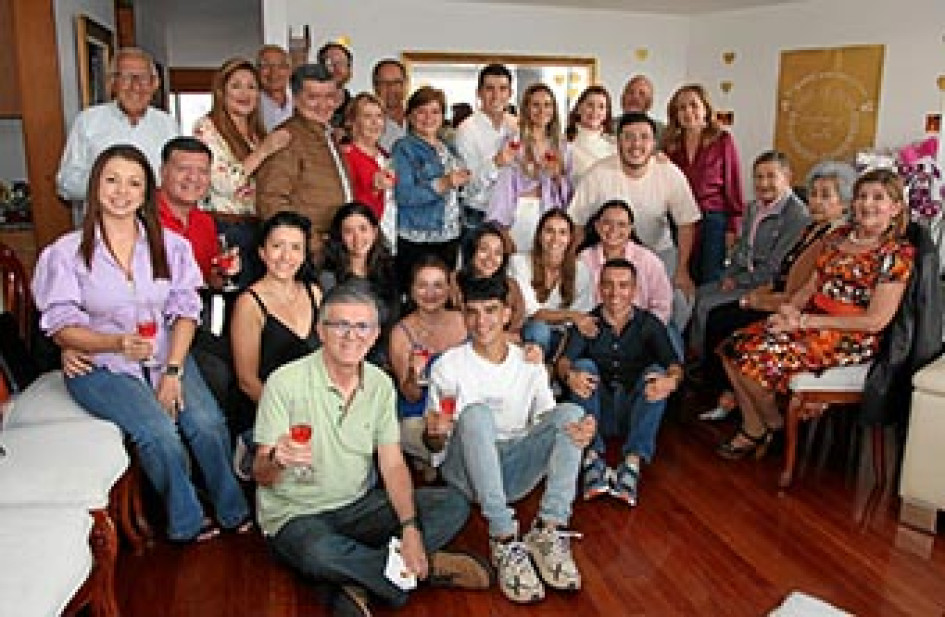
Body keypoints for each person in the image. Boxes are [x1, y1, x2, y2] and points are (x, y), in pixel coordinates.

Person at [33, 144, 249, 541]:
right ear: (95, 185)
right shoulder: (65, 253)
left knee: (207, 424)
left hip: (166, 354)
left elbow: (186, 311)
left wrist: (173, 371)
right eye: (111, 180)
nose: (121, 191)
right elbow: (61, 326)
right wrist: (112, 343)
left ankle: (233, 509)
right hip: (98, 364)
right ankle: (185, 520)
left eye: (133, 183)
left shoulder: (170, 245)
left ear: (146, 190)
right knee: (158, 434)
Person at [253, 283, 491, 616]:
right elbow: (261, 475)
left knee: (452, 504)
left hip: (359, 506)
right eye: (340, 325)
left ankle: (355, 576)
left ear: (375, 333)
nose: (352, 335)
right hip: (297, 515)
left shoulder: (380, 384)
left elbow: (392, 465)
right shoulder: (284, 382)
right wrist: (277, 459)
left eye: (362, 326)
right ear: (321, 330)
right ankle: (413, 570)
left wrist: (409, 528)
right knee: (316, 553)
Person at [717, 168, 915, 459]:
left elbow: (875, 321)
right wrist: (790, 310)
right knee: (731, 347)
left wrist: (807, 320)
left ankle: (775, 426)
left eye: (878, 198)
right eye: (862, 196)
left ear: (896, 208)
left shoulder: (896, 253)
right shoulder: (838, 237)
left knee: (753, 360)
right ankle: (755, 427)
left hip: (851, 335)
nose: (867, 204)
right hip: (811, 321)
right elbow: (811, 286)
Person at [425, 275, 595, 604]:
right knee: (476, 415)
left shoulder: (529, 363)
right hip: (466, 474)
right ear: (463, 316)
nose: (481, 321)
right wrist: (434, 435)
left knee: (571, 415)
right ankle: (503, 537)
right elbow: (437, 451)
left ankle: (550, 528)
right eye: (472, 312)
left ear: (506, 314)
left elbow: (549, 421)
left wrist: (580, 431)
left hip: (514, 471)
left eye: (490, 311)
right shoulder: (447, 366)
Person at [700, 161, 856, 421]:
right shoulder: (813, 229)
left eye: (825, 196)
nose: (816, 201)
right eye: (814, 194)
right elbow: (782, 271)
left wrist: (757, 301)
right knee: (718, 314)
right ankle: (733, 399)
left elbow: (801, 292)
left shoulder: (835, 238)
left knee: (723, 320)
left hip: (798, 312)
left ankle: (743, 406)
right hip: (780, 297)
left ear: (845, 203)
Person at [558, 258, 682, 506]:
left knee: (657, 374)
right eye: (608, 285)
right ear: (599, 288)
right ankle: (592, 459)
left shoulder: (649, 324)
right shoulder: (587, 323)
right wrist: (569, 375)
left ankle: (632, 464)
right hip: (597, 412)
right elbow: (563, 361)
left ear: (634, 290)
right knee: (582, 367)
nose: (615, 293)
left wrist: (672, 381)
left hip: (633, 411)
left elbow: (673, 365)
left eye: (623, 286)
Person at [689, 150, 808, 364]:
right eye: (759, 177)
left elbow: (775, 265)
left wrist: (737, 281)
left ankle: (705, 364)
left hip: (766, 285)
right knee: (696, 295)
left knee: (708, 305)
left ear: (787, 177)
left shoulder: (796, 216)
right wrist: (729, 275)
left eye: (771, 176)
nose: (764, 183)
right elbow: (741, 248)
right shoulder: (753, 207)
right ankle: (695, 357)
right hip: (743, 275)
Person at [569, 112, 701, 299]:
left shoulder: (670, 173)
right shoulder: (598, 173)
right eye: (628, 137)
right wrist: (571, 265)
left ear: (654, 143)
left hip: (659, 252)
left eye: (644, 137)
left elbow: (686, 224)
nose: (636, 144)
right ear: (618, 142)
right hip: (611, 256)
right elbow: (577, 222)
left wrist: (682, 269)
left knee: (682, 300)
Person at [229, 211, 321, 480]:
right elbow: (247, 380)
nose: (286, 256)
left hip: (311, 405)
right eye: (277, 246)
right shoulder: (249, 303)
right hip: (268, 410)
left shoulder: (313, 292)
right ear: (262, 252)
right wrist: (289, 417)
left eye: (295, 248)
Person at [193, 57, 293, 283]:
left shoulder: (255, 132)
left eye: (251, 87)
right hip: (225, 226)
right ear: (221, 91)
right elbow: (224, 183)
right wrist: (264, 151)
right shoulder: (207, 128)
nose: (244, 93)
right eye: (236, 86)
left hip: (258, 226)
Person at [256, 63, 352, 262]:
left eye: (329, 97)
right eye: (313, 97)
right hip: (308, 254)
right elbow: (272, 200)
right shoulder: (288, 137)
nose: (323, 105)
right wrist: (310, 243)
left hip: (335, 247)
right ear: (296, 99)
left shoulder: (328, 134)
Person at [57, 47, 179, 201]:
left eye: (143, 78)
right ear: (112, 84)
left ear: (154, 84)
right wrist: (108, 184)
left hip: (155, 221)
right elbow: (66, 183)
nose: (135, 87)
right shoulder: (88, 121)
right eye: (126, 78)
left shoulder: (168, 125)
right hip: (103, 221)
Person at [663, 84, 745, 284]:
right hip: (680, 221)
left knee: (710, 279)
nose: (688, 112)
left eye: (693, 105)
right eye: (681, 108)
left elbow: (733, 186)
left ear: (706, 109)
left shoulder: (722, 140)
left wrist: (733, 228)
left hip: (712, 221)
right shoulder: (670, 147)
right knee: (683, 277)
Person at [389, 255, 467, 463]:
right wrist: (415, 373)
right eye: (422, 286)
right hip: (421, 414)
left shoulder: (464, 321)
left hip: (461, 408)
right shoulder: (401, 333)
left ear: (449, 290)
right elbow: (411, 395)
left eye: (438, 286)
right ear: (412, 290)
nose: (431, 294)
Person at [391, 86, 469, 276]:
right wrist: (444, 183)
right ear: (409, 116)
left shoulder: (448, 147)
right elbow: (404, 195)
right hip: (418, 236)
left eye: (435, 112)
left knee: (443, 296)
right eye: (421, 112)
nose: (428, 118)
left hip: (449, 233)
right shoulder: (404, 148)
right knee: (416, 295)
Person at [486, 83, 573, 254]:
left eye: (547, 105)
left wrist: (556, 176)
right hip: (519, 213)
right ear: (526, 108)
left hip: (550, 214)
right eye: (536, 105)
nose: (542, 110)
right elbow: (501, 184)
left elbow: (569, 193)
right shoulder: (512, 142)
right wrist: (501, 228)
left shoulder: (563, 147)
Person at [510, 209, 595, 361]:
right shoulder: (519, 262)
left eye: (562, 232)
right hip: (529, 336)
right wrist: (571, 315)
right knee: (539, 328)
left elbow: (582, 317)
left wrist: (559, 359)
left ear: (570, 238)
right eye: (549, 231)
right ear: (539, 235)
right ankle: (536, 375)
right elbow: (533, 313)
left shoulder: (580, 269)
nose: (555, 239)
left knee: (585, 355)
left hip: (564, 339)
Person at [321, 202, 400, 364]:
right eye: (349, 231)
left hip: (385, 360)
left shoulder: (390, 269)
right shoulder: (329, 278)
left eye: (363, 229)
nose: (357, 238)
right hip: (344, 358)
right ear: (340, 237)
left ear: (375, 231)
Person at [578, 199, 675, 327]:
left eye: (621, 224)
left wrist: (641, 331)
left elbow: (662, 305)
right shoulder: (582, 260)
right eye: (607, 223)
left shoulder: (649, 260)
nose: (613, 229)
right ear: (597, 226)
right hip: (595, 329)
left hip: (644, 328)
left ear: (630, 229)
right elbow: (577, 306)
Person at [454, 64, 518, 241]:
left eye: (503, 89)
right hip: (479, 213)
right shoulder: (467, 130)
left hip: (511, 214)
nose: (496, 96)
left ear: (510, 93)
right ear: (479, 92)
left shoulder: (516, 126)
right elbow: (468, 186)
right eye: (490, 89)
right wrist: (496, 163)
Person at [342, 93, 397, 249]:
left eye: (379, 116)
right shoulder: (346, 156)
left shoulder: (384, 155)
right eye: (367, 116)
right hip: (362, 239)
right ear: (352, 122)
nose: (375, 123)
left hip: (389, 233)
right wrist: (374, 189)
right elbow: (347, 204)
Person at [452, 223, 527, 339]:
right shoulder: (454, 281)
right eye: (484, 250)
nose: (491, 258)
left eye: (498, 253)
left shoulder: (511, 286)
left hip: (502, 345)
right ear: (471, 251)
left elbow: (516, 327)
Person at [565, 85, 616, 184]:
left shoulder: (614, 146)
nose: (595, 111)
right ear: (579, 109)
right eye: (590, 105)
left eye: (601, 107)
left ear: (606, 113)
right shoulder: (564, 144)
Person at [372, 58, 408, 152]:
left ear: (405, 85)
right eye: (384, 83)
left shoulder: (420, 120)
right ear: (375, 87)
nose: (391, 88)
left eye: (397, 82)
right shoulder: (368, 126)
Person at [317, 41, 354, 132]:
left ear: (349, 70)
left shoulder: (357, 109)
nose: (335, 68)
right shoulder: (309, 106)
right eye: (329, 63)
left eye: (341, 63)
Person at [618, 75, 666, 143]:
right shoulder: (608, 126)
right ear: (622, 98)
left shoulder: (662, 132)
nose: (635, 97)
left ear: (650, 102)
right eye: (630, 92)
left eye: (642, 94)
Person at [257, 44, 294, 132]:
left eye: (280, 66)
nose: (273, 73)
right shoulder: (249, 106)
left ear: (290, 71)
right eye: (266, 66)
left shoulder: (300, 104)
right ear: (257, 70)